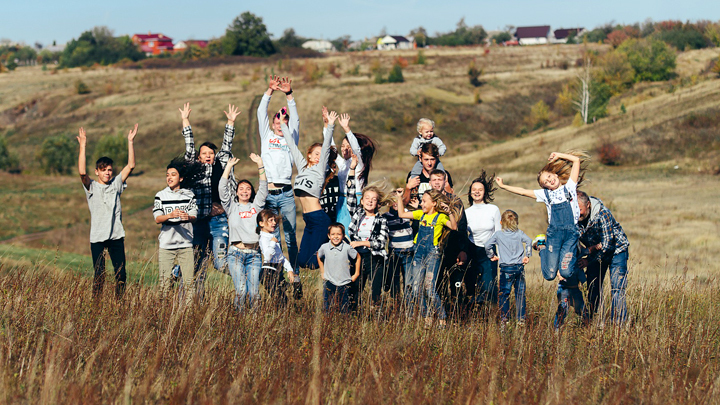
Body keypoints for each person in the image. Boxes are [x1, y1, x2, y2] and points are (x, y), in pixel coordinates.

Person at [495, 151, 588, 282]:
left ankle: (576, 252)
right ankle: (541, 246)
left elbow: (576, 161)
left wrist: (559, 155)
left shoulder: (570, 187)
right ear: (544, 187)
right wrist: (503, 186)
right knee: (549, 275)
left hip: (570, 235)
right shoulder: (545, 195)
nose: (549, 180)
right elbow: (522, 192)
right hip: (554, 235)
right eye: (546, 182)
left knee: (566, 273)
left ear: (555, 174)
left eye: (549, 176)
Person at [179, 102, 240, 296]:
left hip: (218, 221)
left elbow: (227, 145)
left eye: (210, 153)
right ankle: (192, 299)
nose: (208, 156)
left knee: (221, 262)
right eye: (204, 153)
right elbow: (189, 146)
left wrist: (230, 122)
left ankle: (245, 277)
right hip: (198, 221)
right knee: (198, 263)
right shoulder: (194, 167)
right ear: (199, 156)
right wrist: (185, 120)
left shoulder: (221, 164)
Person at [77, 124, 137, 300]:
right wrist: (83, 146)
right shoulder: (92, 187)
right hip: (97, 237)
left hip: (116, 236)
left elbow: (131, 165)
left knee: (121, 274)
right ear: (97, 172)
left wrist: (130, 141)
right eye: (103, 170)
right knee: (99, 275)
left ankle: (119, 306)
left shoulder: (116, 184)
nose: (107, 173)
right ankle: (95, 308)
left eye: (109, 170)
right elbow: (81, 173)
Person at [283, 110, 335, 273]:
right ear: (310, 156)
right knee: (303, 260)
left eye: (321, 155)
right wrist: (284, 124)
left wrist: (330, 125)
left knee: (314, 262)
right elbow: (291, 146)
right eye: (316, 154)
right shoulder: (303, 167)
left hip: (319, 219)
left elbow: (327, 147)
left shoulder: (320, 170)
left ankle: (336, 267)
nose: (320, 157)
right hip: (308, 219)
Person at [397, 189, 458, 328]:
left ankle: (442, 317)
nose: (421, 204)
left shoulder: (441, 218)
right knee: (416, 288)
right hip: (418, 253)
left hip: (432, 255)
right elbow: (401, 214)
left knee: (429, 288)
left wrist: (449, 212)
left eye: (424, 201)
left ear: (434, 203)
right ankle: (427, 317)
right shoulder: (420, 214)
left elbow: (453, 227)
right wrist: (400, 198)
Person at [257, 76, 300, 270]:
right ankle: (276, 274)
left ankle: (296, 276)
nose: (279, 125)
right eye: (277, 121)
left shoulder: (291, 138)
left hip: (287, 194)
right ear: (273, 123)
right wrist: (270, 92)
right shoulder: (267, 136)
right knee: (271, 236)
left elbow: (296, 119)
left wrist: (289, 95)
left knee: (291, 237)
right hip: (269, 194)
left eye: (283, 122)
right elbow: (260, 113)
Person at [219, 154, 268, 311]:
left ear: (251, 192)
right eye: (241, 189)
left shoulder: (256, 207)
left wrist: (260, 164)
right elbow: (222, 188)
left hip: (254, 254)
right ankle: (239, 323)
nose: (245, 191)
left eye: (248, 189)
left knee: (254, 293)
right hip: (236, 254)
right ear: (237, 192)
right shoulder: (231, 206)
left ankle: (255, 324)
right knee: (241, 291)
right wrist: (228, 167)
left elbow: (264, 188)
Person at [576, 190, 630, 325]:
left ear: (588, 204)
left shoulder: (603, 214)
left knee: (617, 288)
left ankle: (618, 326)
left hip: (617, 250)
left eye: (580, 210)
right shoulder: (574, 218)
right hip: (595, 252)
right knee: (593, 287)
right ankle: (594, 322)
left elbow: (606, 246)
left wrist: (588, 260)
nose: (577, 214)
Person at [153, 157, 201, 305]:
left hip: (185, 244)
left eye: (173, 174)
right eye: (167, 175)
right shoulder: (161, 195)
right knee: (164, 285)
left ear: (181, 178)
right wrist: (170, 216)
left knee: (188, 283)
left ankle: (188, 317)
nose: (169, 177)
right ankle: (162, 315)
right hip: (166, 245)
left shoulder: (189, 195)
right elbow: (157, 218)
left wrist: (187, 217)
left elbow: (194, 216)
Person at [346, 158, 389, 310]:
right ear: (362, 201)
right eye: (367, 199)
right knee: (354, 288)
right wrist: (351, 170)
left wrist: (361, 243)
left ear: (378, 203)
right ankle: (352, 315)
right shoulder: (357, 214)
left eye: (374, 200)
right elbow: (350, 195)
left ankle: (376, 316)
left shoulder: (381, 220)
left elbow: (380, 242)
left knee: (375, 291)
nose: (370, 202)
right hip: (356, 255)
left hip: (374, 256)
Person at [325, 108, 377, 233]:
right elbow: (331, 147)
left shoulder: (359, 163)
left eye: (348, 147)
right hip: (342, 200)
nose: (345, 149)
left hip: (357, 199)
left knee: (355, 233)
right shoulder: (343, 164)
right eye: (342, 146)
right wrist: (327, 125)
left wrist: (347, 129)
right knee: (341, 232)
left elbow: (356, 147)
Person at [484, 210, 532, 324]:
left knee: (504, 294)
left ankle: (504, 318)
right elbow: (529, 241)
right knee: (520, 293)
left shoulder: (498, 235)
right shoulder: (519, 233)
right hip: (519, 268)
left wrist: (492, 255)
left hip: (506, 268)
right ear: (517, 222)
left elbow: (487, 245)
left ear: (501, 222)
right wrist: (527, 255)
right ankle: (521, 319)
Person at [464, 171, 501, 306]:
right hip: (472, 250)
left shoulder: (493, 209)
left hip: (489, 251)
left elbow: (498, 233)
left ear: (485, 192)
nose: (477, 192)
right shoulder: (466, 212)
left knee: (489, 285)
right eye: (474, 190)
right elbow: (463, 234)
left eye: (480, 189)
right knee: (472, 285)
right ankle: (474, 314)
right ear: (470, 192)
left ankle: (491, 315)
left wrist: (500, 256)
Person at [317, 223, 361, 313]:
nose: (336, 237)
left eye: (339, 234)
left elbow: (358, 257)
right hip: (329, 281)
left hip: (344, 282)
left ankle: (344, 324)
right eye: (333, 234)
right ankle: (328, 324)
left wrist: (356, 273)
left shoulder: (347, 248)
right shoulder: (324, 247)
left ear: (343, 236)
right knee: (327, 307)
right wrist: (322, 272)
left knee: (344, 307)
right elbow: (318, 255)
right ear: (329, 236)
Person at [257, 209, 295, 308]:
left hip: (276, 271)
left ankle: (283, 315)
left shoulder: (271, 237)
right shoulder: (264, 238)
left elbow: (281, 257)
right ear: (261, 223)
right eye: (270, 221)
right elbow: (268, 256)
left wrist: (289, 269)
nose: (274, 223)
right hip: (268, 272)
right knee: (280, 298)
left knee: (283, 297)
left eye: (274, 220)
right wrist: (273, 243)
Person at [382, 189, 414, 300]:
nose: (395, 203)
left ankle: (408, 303)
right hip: (394, 251)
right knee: (395, 279)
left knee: (408, 279)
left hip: (409, 251)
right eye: (392, 201)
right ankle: (396, 302)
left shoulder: (407, 212)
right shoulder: (385, 216)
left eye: (398, 200)